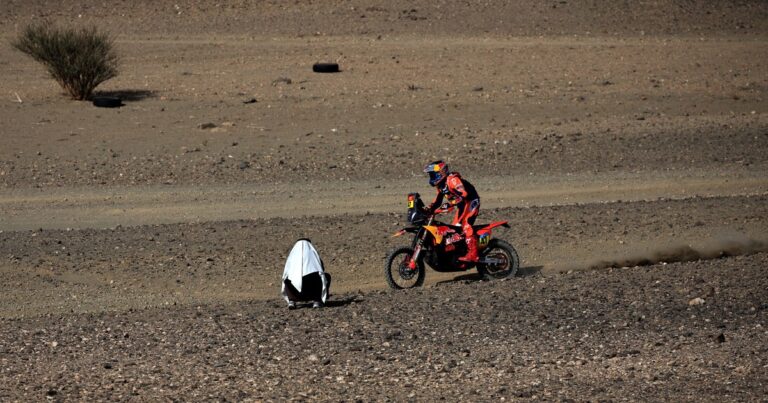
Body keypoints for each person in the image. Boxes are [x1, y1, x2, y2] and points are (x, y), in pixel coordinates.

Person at [423, 160, 481, 262]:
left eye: (433, 174)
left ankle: (473, 254)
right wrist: (429, 209)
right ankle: (460, 252)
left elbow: (464, 194)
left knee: (466, 225)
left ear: (441, 172)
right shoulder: (440, 185)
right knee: (455, 230)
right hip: (462, 205)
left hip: (471, 201)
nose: (431, 177)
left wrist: (452, 203)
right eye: (430, 175)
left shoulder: (453, 180)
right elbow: (437, 200)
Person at [281, 239, 331, 309]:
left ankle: (291, 301)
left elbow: (285, 273)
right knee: (325, 276)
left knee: (288, 278)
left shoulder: (292, 257)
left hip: (296, 294)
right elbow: (321, 269)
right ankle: (317, 301)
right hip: (311, 292)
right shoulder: (313, 255)